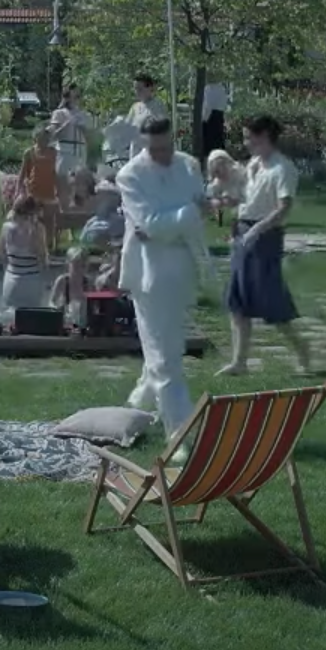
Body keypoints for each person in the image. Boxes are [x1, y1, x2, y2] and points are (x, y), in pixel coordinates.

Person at [116, 116, 210, 435]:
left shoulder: (188, 166)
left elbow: (192, 217)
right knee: (165, 357)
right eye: (153, 149)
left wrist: (170, 224)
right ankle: (181, 433)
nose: (162, 154)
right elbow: (148, 223)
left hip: (183, 269)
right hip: (148, 275)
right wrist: (186, 215)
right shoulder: (130, 175)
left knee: (167, 342)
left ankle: (137, 408)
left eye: (166, 146)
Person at [221, 115, 311, 377]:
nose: (246, 143)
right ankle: (240, 361)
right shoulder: (253, 165)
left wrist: (258, 230)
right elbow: (244, 200)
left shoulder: (282, 168)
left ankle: (302, 350)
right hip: (243, 232)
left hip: (265, 236)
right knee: (237, 298)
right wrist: (234, 225)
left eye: (251, 137)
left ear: (265, 137)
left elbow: (284, 208)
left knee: (268, 298)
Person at [0, 194, 49, 309]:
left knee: (12, 320)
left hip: (11, 280)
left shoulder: (6, 228)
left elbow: (2, 254)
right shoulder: (38, 230)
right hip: (32, 280)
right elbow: (42, 258)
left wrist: (8, 272)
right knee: (33, 317)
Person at [19, 126, 61, 251]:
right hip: (33, 191)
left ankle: (49, 246)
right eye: (41, 138)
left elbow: (56, 173)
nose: (44, 141)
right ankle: (32, 245)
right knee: (33, 220)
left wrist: (59, 189)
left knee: (49, 221)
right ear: (35, 138)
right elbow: (23, 174)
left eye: (46, 138)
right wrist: (20, 190)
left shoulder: (53, 152)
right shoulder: (30, 152)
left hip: (49, 191)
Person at [48, 88, 92, 187]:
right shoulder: (59, 113)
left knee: (79, 184)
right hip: (65, 152)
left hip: (80, 152)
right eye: (75, 97)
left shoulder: (84, 114)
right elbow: (54, 135)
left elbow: (89, 137)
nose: (77, 100)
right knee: (63, 183)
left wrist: (83, 129)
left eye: (78, 97)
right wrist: (67, 124)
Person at [124, 73, 168, 159]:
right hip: (136, 151)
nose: (137, 92)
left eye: (140, 89)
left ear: (150, 88)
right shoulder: (135, 107)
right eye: (135, 89)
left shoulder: (158, 105)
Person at [51, 246, 93, 328]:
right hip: (66, 322)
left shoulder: (89, 283)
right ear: (68, 264)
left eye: (83, 265)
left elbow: (94, 307)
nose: (79, 269)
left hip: (83, 323)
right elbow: (51, 302)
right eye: (76, 265)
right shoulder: (62, 281)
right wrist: (58, 307)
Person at [204, 149, 245, 222]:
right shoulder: (216, 183)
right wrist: (219, 202)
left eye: (223, 167)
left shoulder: (240, 174)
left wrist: (233, 199)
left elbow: (247, 195)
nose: (219, 174)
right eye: (216, 172)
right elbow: (212, 199)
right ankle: (220, 219)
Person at [201, 78, 231, 156]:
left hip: (210, 118)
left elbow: (208, 106)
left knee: (209, 143)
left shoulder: (208, 89)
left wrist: (204, 120)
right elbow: (224, 105)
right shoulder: (222, 88)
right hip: (219, 117)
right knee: (218, 140)